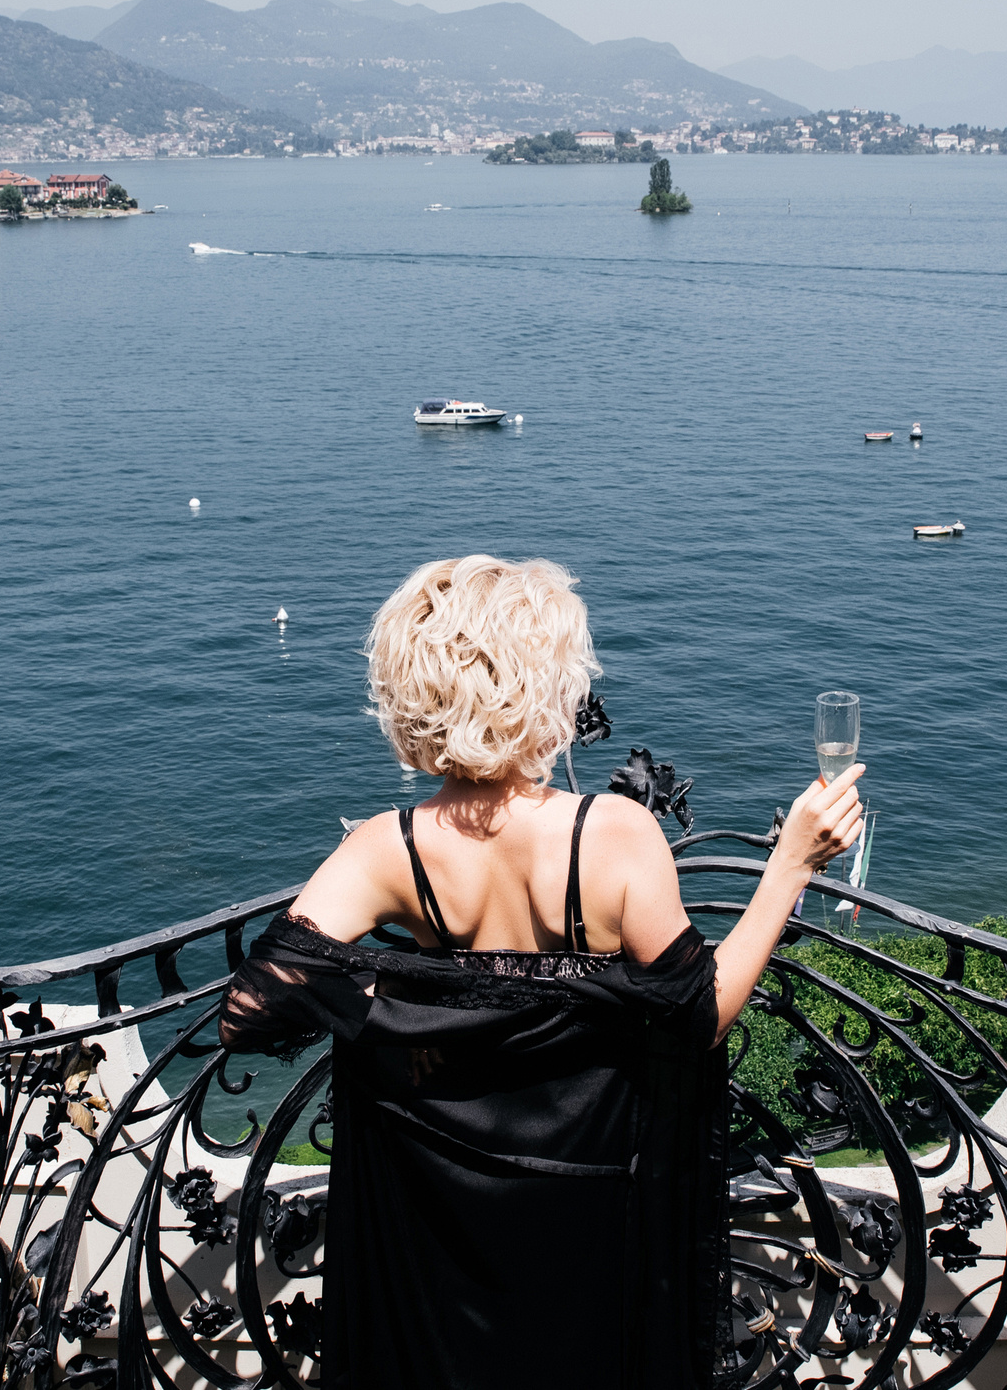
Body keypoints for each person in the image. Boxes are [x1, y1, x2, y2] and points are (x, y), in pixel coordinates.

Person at [220, 555, 864, 1390]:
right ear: (541, 681)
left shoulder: (384, 847)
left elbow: (253, 1005)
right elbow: (698, 1017)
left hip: (435, 1226)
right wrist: (790, 866)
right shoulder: (616, 833)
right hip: (591, 1216)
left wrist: (417, 993)